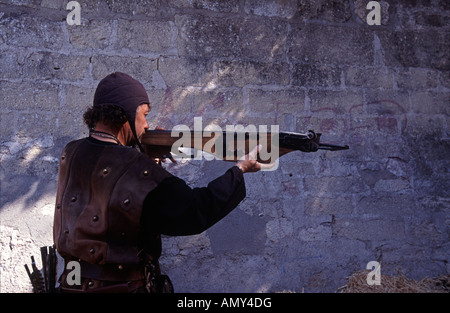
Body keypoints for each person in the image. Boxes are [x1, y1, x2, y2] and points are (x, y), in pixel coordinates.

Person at [53, 72, 272, 293]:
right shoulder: (136, 166)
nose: (147, 125)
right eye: (144, 114)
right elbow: (194, 210)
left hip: (71, 283)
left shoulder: (71, 152)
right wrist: (239, 169)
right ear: (125, 114)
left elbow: (109, 198)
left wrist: (147, 163)